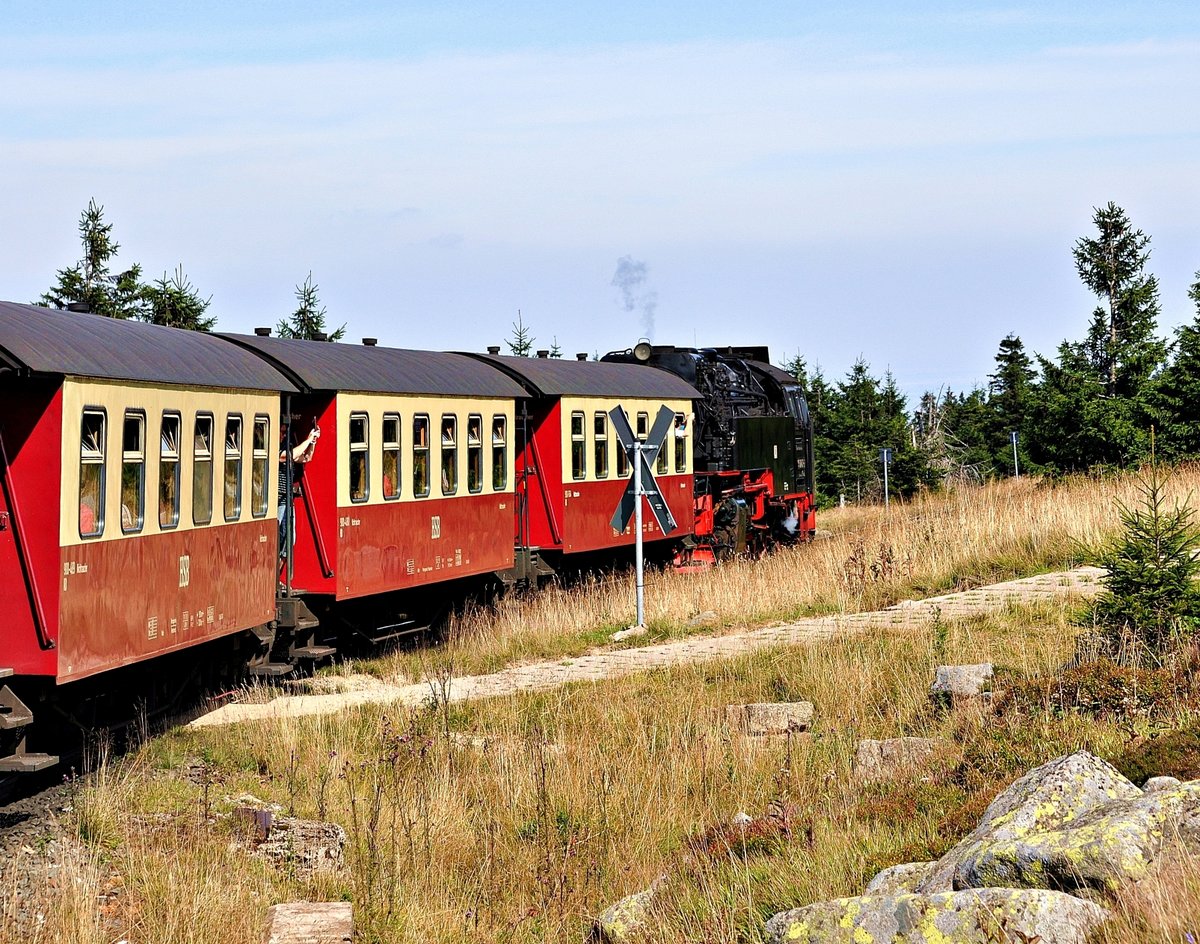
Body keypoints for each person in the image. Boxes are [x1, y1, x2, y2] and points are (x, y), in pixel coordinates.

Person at [278, 425, 320, 563]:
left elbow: (307, 457)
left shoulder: (286, 447)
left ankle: (277, 575)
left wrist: (313, 442)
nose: (284, 436)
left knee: (289, 539)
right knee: (281, 536)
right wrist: (308, 440)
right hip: (278, 500)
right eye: (282, 432)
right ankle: (275, 578)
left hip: (287, 499)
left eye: (285, 433)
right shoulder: (275, 450)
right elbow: (289, 456)